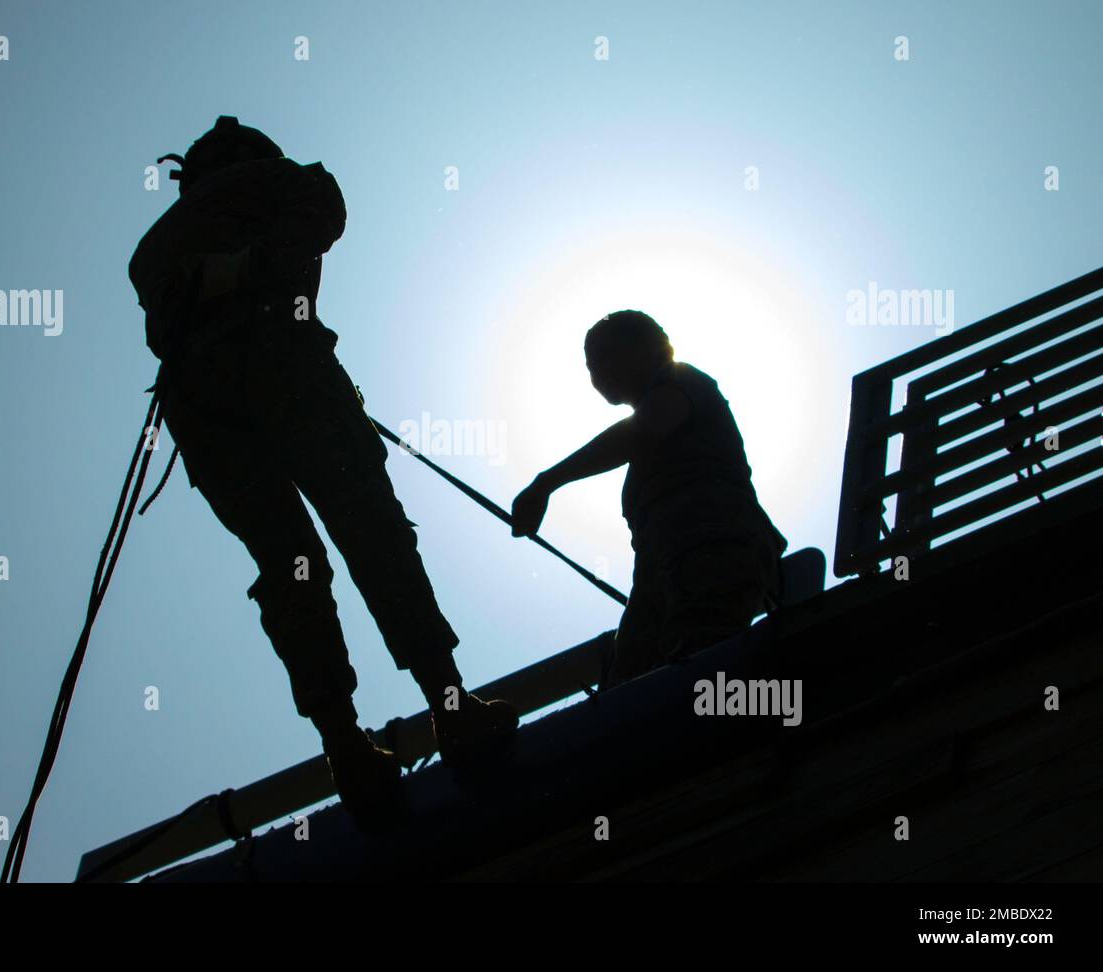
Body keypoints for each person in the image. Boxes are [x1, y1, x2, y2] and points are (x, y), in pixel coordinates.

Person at [128, 116, 517, 819]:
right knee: (370, 529)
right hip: (290, 373)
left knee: (288, 564)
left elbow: (162, 323)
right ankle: (450, 705)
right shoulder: (281, 180)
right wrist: (257, 264)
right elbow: (322, 212)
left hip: (202, 409)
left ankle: (345, 748)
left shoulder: (152, 249)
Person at [511, 310, 787, 687]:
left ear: (650, 348)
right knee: (630, 691)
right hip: (662, 572)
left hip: (713, 549)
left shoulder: (684, 381)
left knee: (701, 674)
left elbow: (642, 431)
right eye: (591, 365)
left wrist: (547, 482)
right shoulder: (651, 440)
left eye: (608, 356)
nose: (598, 373)